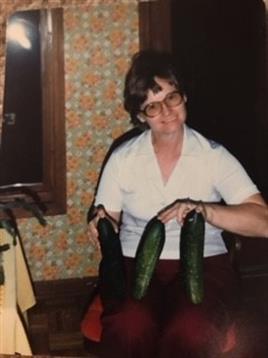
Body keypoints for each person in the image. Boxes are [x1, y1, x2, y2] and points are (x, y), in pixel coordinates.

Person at [87, 49, 268, 358]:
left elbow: (262, 222)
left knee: (192, 329)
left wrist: (207, 211)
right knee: (131, 325)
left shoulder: (213, 156)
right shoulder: (123, 159)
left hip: (205, 264)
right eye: (152, 106)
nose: (166, 111)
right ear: (140, 116)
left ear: (184, 97)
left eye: (172, 98)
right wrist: (101, 222)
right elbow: (110, 220)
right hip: (134, 261)